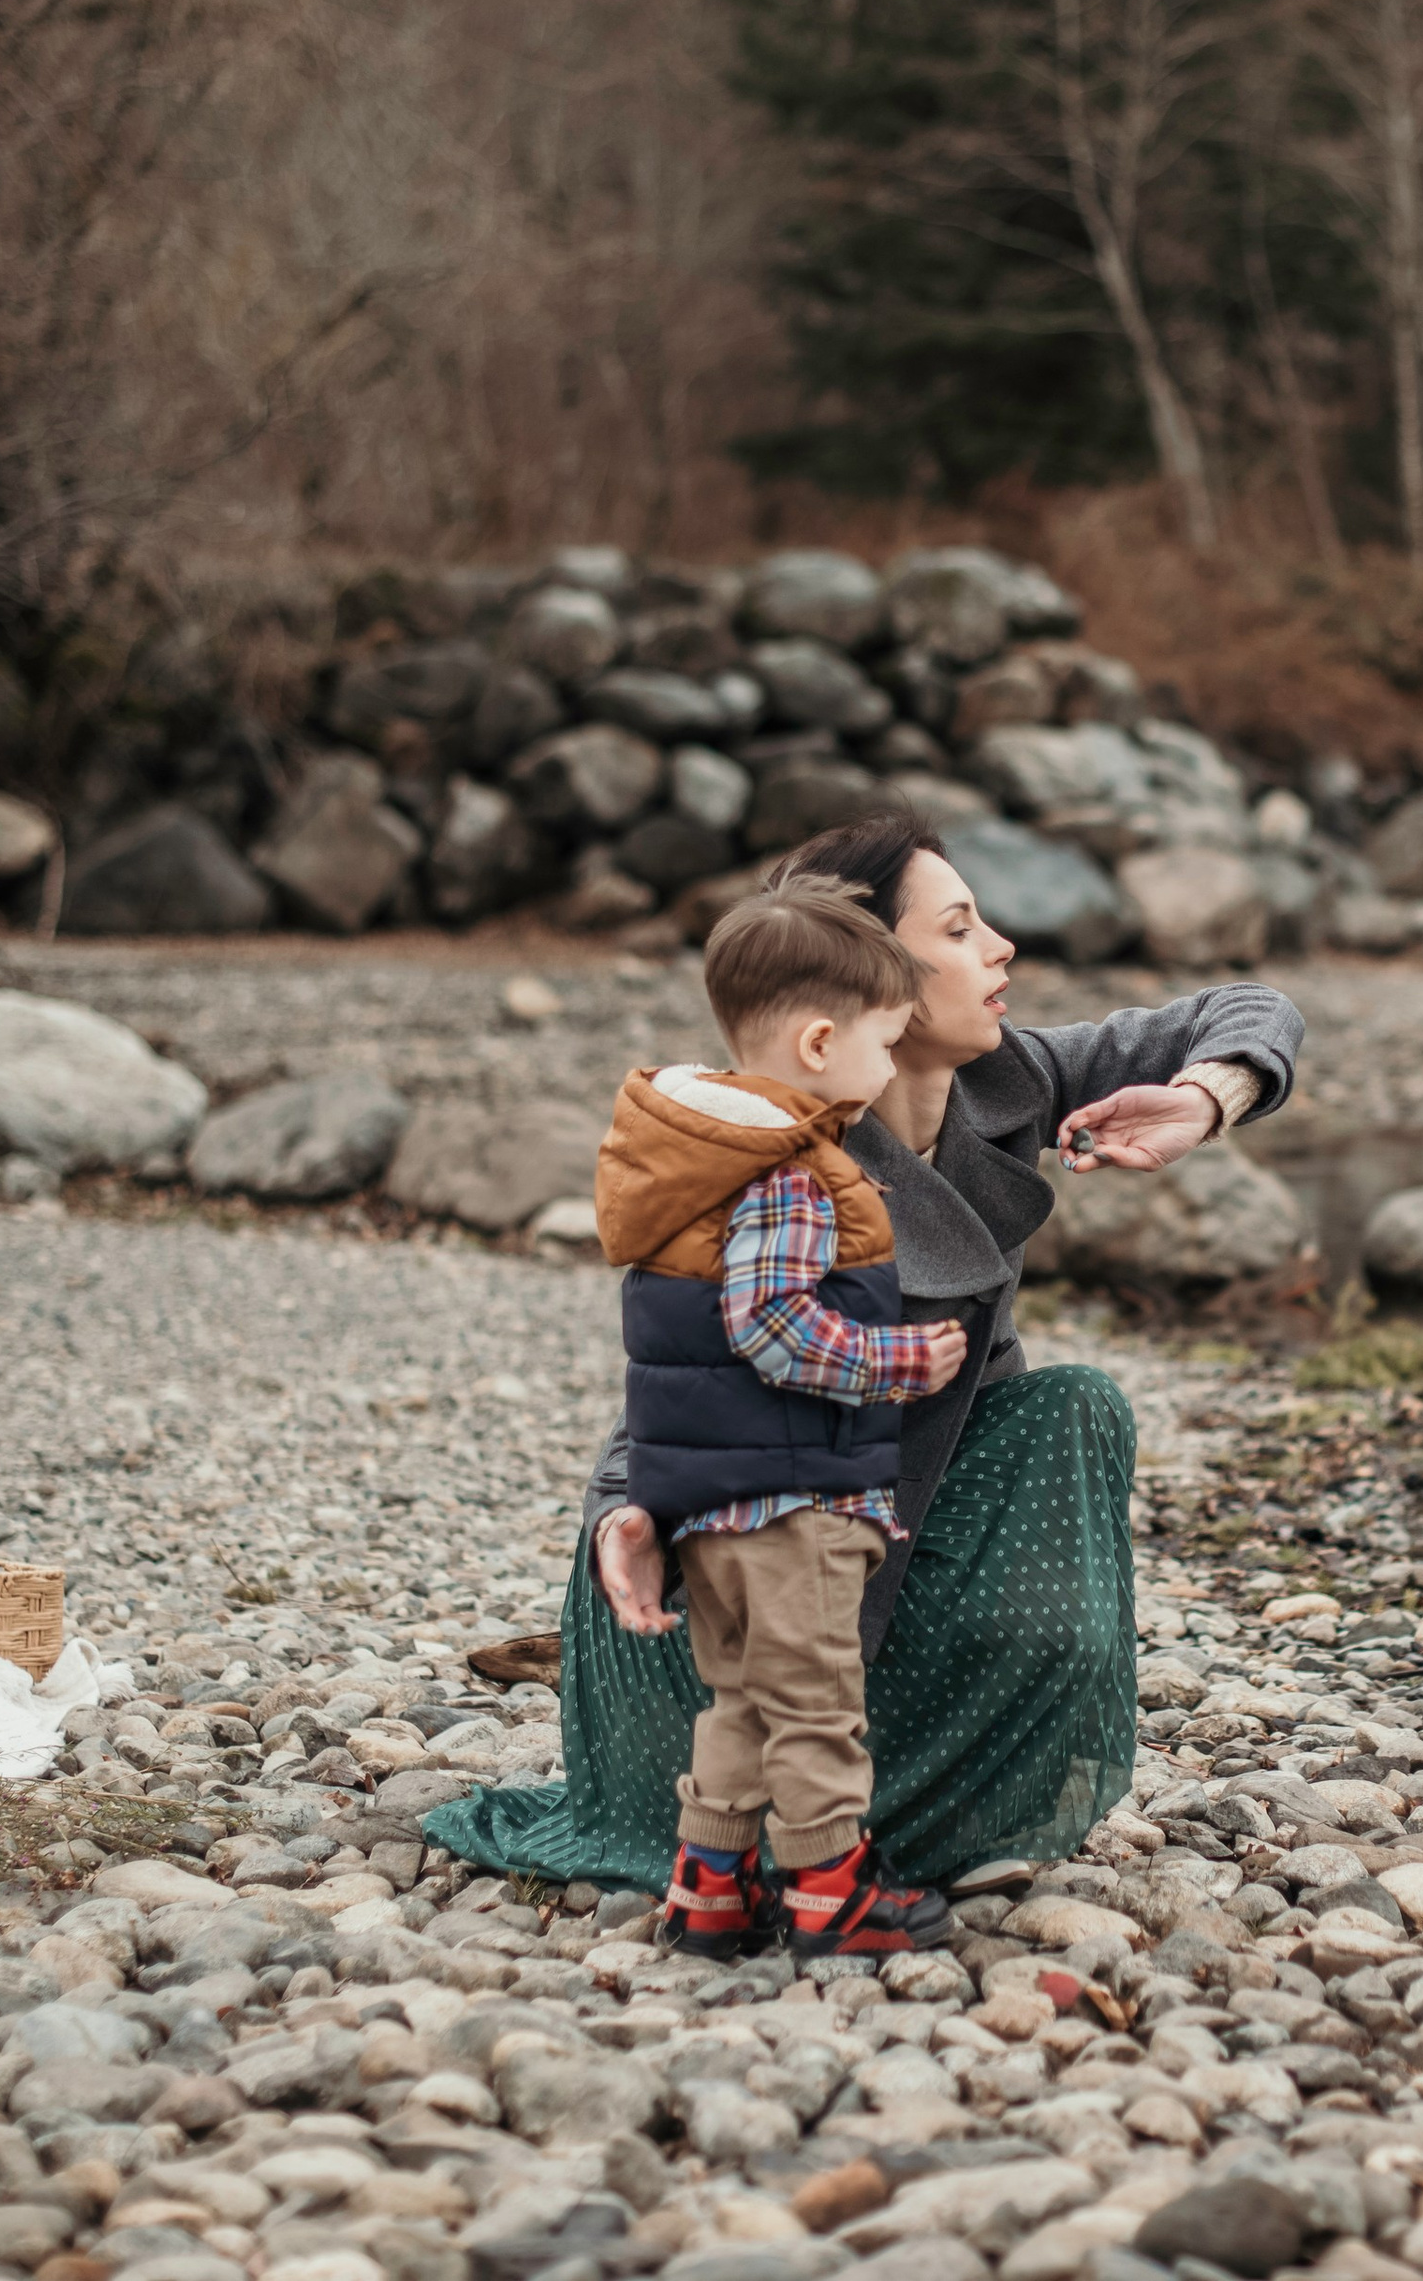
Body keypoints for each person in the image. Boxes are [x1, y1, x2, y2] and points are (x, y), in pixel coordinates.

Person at [425, 811, 1304, 1897]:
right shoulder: (773, 1151)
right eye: (960, 928)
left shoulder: (1008, 1078)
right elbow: (684, 1358)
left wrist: (1203, 1099)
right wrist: (624, 1507)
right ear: (868, 974)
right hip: (757, 1540)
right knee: (782, 1728)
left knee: (1072, 1409)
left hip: (885, 1520)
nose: (1002, 949)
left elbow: (1249, 1007)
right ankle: (806, 1856)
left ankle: (875, 1820)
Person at [591, 876, 967, 1958]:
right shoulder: (790, 1173)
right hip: (794, 1503)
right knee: (815, 1707)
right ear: (816, 1042)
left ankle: (709, 1888)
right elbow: (775, 1329)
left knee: (743, 1703)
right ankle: (827, 1893)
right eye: (884, 1042)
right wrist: (908, 1359)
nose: (891, 1066)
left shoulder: (704, 1166)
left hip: (717, 1506)